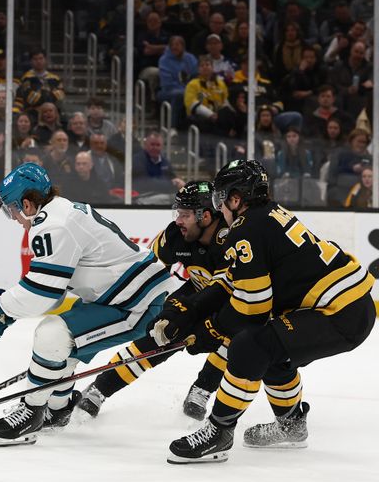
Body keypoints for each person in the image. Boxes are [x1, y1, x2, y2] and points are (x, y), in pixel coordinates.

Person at [149, 160, 375, 464]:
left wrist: (209, 331)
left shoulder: (246, 229)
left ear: (236, 198)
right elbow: (232, 280)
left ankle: (219, 431)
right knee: (271, 347)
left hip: (340, 313)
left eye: (221, 199)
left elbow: (251, 308)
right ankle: (291, 426)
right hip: (346, 306)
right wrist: (190, 310)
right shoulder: (264, 216)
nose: (219, 209)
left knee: (251, 344)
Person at [0, 162, 172, 447]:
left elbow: (43, 292)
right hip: (122, 297)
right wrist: (9, 312)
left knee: (52, 335)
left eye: (11, 209)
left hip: (136, 304)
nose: (12, 217)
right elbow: (54, 291)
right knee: (63, 344)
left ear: (26, 203)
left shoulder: (52, 224)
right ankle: (59, 409)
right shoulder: (59, 211)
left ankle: (31, 411)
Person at [76, 181, 231, 422]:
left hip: (235, 305)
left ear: (206, 216)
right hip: (197, 293)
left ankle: (203, 388)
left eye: (185, 215)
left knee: (233, 340)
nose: (178, 220)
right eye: (177, 213)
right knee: (157, 337)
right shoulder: (175, 235)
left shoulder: (232, 240)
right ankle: (100, 388)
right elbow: (145, 267)